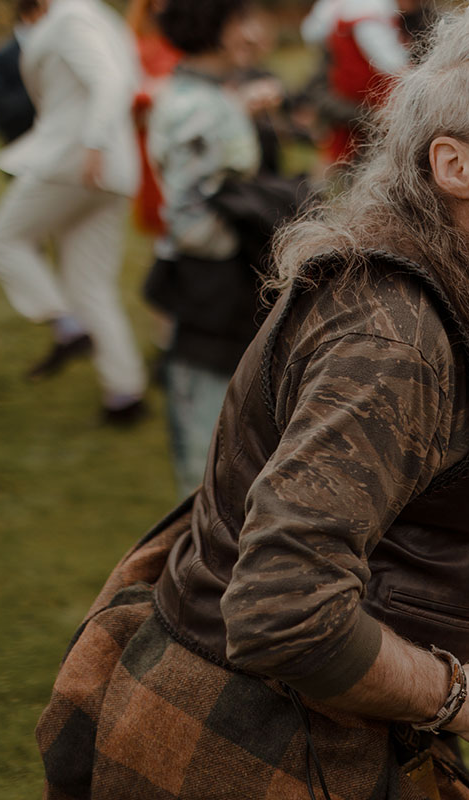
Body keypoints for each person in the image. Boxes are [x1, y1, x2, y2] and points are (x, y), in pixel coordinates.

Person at [36, 3, 469, 798]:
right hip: (244, 755)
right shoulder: (393, 345)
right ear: (455, 168)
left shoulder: (438, 294)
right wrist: (455, 694)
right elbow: (284, 610)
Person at [0, 0, 148, 423]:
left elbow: (111, 80)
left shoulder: (70, 18)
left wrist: (95, 141)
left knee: (3, 239)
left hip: (75, 161)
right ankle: (125, 395)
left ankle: (65, 324)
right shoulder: (99, 15)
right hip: (110, 170)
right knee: (91, 286)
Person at [141, 0, 270, 497]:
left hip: (221, 288)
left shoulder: (206, 95)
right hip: (210, 295)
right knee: (211, 451)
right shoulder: (198, 107)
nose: (256, 33)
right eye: (244, 19)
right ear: (212, 26)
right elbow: (192, 221)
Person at [301, 0, 410, 168]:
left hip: (373, 100)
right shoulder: (360, 16)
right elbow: (391, 63)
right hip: (362, 106)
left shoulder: (341, 14)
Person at [0, 0, 42, 145]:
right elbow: (2, 103)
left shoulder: (49, 49)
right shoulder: (2, 56)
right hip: (17, 136)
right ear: (27, 14)